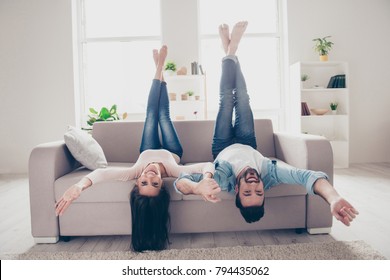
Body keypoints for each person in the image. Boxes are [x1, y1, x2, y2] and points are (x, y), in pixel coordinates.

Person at [175, 21, 359, 226]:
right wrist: (333, 198)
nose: (254, 184)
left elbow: (180, 182)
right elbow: (309, 177)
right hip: (247, 142)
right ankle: (231, 51)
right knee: (243, 97)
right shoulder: (270, 174)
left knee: (227, 99)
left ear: (236, 190)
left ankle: (230, 51)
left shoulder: (220, 181)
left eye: (247, 192)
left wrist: (196, 188)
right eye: (259, 191)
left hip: (222, 145)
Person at [55, 45, 215, 252]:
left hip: (147, 148)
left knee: (151, 114)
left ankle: (158, 69)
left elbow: (102, 174)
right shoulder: (176, 172)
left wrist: (79, 186)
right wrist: (207, 178)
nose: (149, 174)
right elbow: (207, 165)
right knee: (163, 115)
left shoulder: (133, 172)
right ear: (162, 184)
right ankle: (160, 69)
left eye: (144, 181)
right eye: (155, 182)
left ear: (136, 182)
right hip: (172, 150)